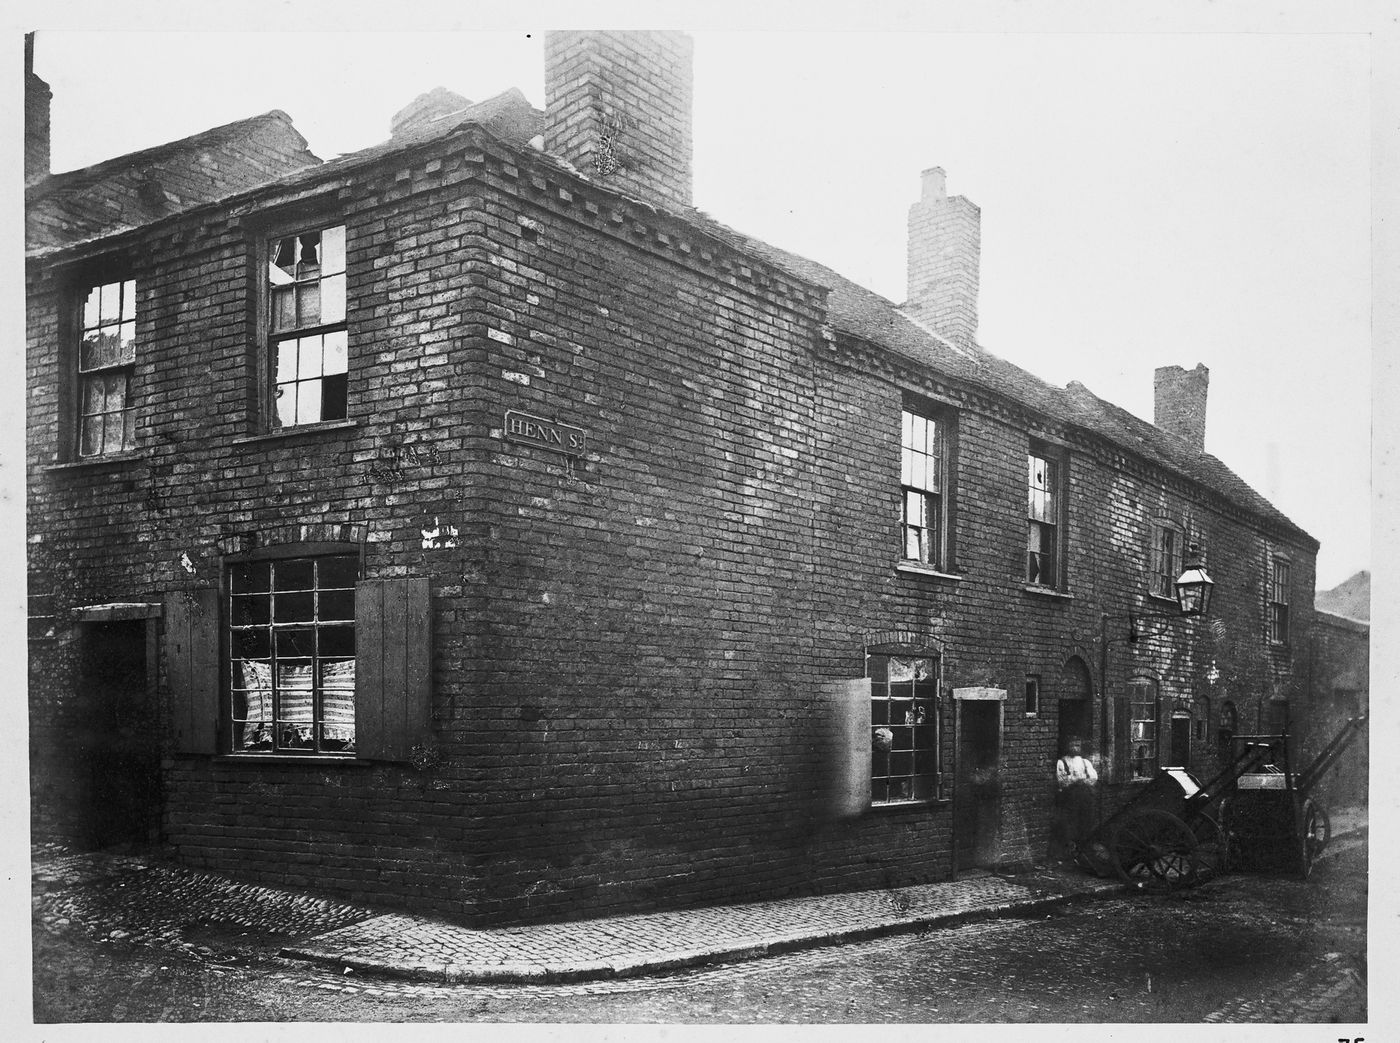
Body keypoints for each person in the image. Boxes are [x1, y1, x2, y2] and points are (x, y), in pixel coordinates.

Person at [1052, 739, 1098, 860]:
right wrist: (1078, 779)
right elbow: (1062, 781)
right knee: (1070, 823)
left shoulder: (1085, 762)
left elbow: (1093, 778)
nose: (1075, 747)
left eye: (1077, 745)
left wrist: (1077, 779)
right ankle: (1070, 850)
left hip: (1085, 797)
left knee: (1086, 821)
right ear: (1067, 746)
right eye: (1072, 744)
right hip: (1070, 798)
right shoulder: (1061, 762)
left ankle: (1085, 848)